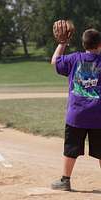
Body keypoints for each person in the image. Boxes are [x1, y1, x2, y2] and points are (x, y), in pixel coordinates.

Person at [51, 26, 101, 191]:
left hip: (77, 115)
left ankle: (65, 181)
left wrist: (62, 43)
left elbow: (55, 62)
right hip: (98, 115)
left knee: (71, 149)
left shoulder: (74, 59)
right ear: (99, 44)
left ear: (83, 43)